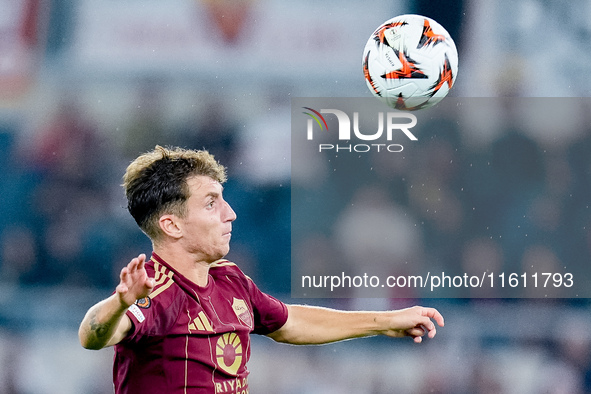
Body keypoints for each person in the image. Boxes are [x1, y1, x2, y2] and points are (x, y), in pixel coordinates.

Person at [78, 146, 444, 394]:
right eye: (211, 204)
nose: (230, 214)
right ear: (172, 225)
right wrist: (121, 302)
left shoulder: (230, 281)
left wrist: (385, 322)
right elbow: (92, 334)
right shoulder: (155, 293)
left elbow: (292, 324)